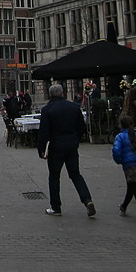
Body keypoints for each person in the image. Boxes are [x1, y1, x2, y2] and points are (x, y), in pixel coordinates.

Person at [37, 84, 96, 218]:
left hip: (56, 146)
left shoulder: (47, 109)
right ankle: (87, 199)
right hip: (71, 146)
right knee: (75, 174)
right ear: (63, 93)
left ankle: (56, 207)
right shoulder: (74, 107)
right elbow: (81, 126)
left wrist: (41, 149)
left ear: (51, 95)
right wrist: (76, 139)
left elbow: (43, 132)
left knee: (54, 176)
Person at [112, 115, 136, 224]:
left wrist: (119, 160)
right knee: (132, 185)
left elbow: (116, 150)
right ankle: (124, 207)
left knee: (134, 187)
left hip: (128, 164)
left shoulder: (120, 137)